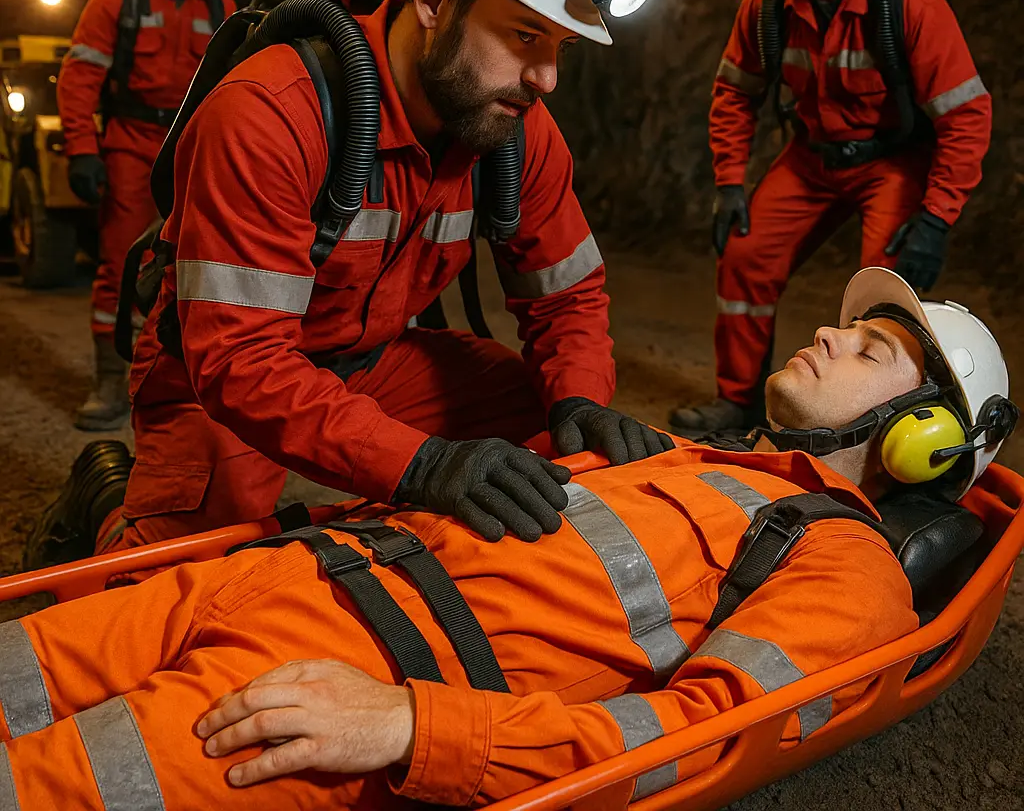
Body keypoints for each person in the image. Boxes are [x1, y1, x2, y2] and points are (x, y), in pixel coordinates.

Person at [0, 268, 1013, 809]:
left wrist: (409, 727)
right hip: (264, 578)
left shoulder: (845, 564)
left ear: (920, 440)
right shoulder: (675, 453)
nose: (829, 331)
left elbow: (690, 737)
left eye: (871, 347)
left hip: (331, 685)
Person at [33, 0, 665, 565]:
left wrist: (579, 402)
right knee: (177, 589)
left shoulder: (511, 125)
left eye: (562, 47)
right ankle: (102, 506)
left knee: (555, 445)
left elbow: (568, 298)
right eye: (524, 35)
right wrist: (419, 466)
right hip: (228, 372)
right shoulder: (270, 112)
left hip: (370, 360)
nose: (546, 78)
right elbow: (241, 360)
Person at [669, 0, 991, 435]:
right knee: (744, 256)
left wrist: (936, 220)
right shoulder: (766, 6)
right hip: (810, 160)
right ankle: (738, 401)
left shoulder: (909, 6)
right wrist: (730, 184)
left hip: (891, 163)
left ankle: (863, 420)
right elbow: (735, 93)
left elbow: (967, 114)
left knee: (885, 289)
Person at [58, 0, 236, 430]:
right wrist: (82, 150)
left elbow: (237, 89)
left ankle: (180, 385)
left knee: (197, 270)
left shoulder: (221, 6)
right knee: (120, 265)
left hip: (192, 152)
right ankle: (109, 381)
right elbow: (81, 76)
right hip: (131, 149)